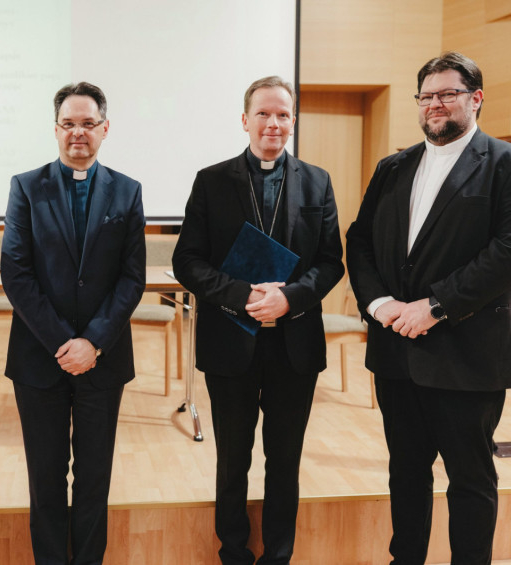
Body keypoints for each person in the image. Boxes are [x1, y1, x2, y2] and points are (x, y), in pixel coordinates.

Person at [346, 52, 511, 564]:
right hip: (396, 352)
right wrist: (379, 303)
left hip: (466, 353)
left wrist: (435, 306)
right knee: (405, 473)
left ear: (475, 99)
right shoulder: (392, 167)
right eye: (426, 96)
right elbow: (360, 240)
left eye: (447, 94)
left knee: (470, 480)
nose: (434, 104)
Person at [172, 76, 344, 565]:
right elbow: (188, 261)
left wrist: (289, 298)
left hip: (294, 343)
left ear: (293, 122)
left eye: (283, 114)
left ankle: (278, 556)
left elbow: (331, 262)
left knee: (285, 462)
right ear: (245, 120)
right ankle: (233, 552)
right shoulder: (211, 181)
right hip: (232, 340)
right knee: (232, 462)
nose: (273, 123)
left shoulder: (317, 181)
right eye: (264, 113)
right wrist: (242, 295)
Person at [1, 82, 145, 565]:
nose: (78, 132)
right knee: (45, 480)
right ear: (56, 129)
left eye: (88, 123)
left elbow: (132, 277)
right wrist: (66, 342)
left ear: (105, 128)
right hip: (39, 359)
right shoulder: (27, 187)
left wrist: (94, 342)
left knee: (93, 480)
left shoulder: (127, 191)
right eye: (69, 123)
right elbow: (16, 274)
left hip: (103, 361)